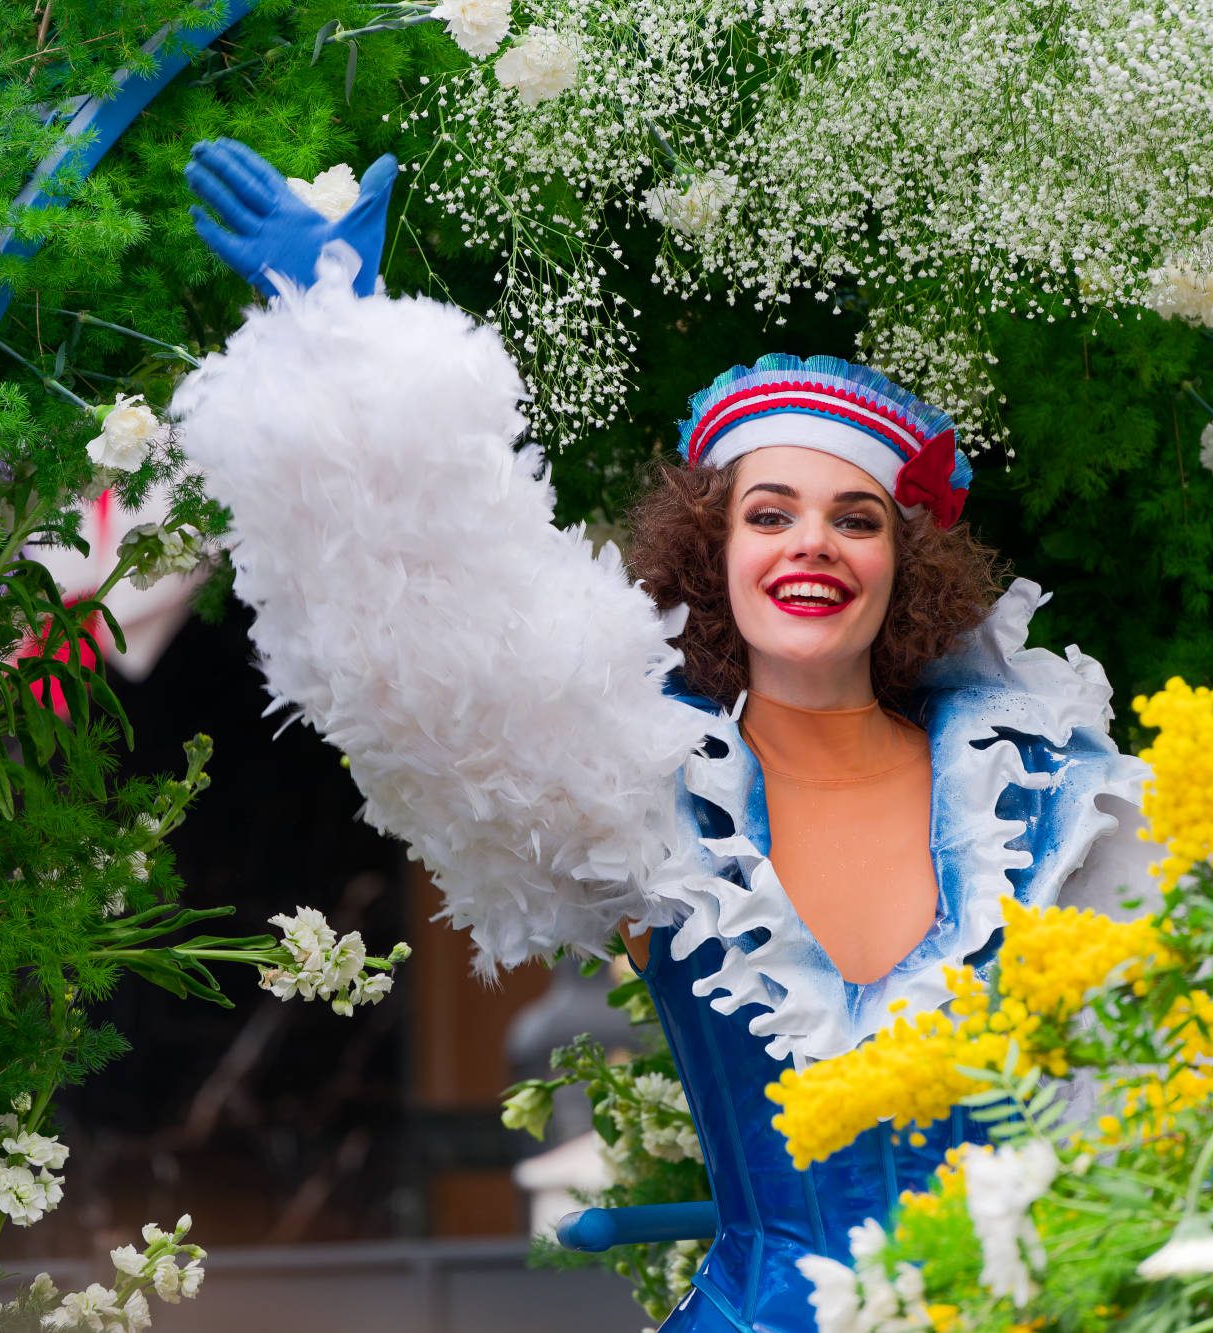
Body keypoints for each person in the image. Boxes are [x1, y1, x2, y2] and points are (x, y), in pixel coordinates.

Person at [175, 139, 1155, 1331]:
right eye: (768, 513)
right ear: (712, 551)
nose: (811, 544)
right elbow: (435, 652)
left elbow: (1151, 1103)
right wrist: (341, 339)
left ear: (907, 569)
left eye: (855, 518)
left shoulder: (1043, 798)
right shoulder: (638, 773)